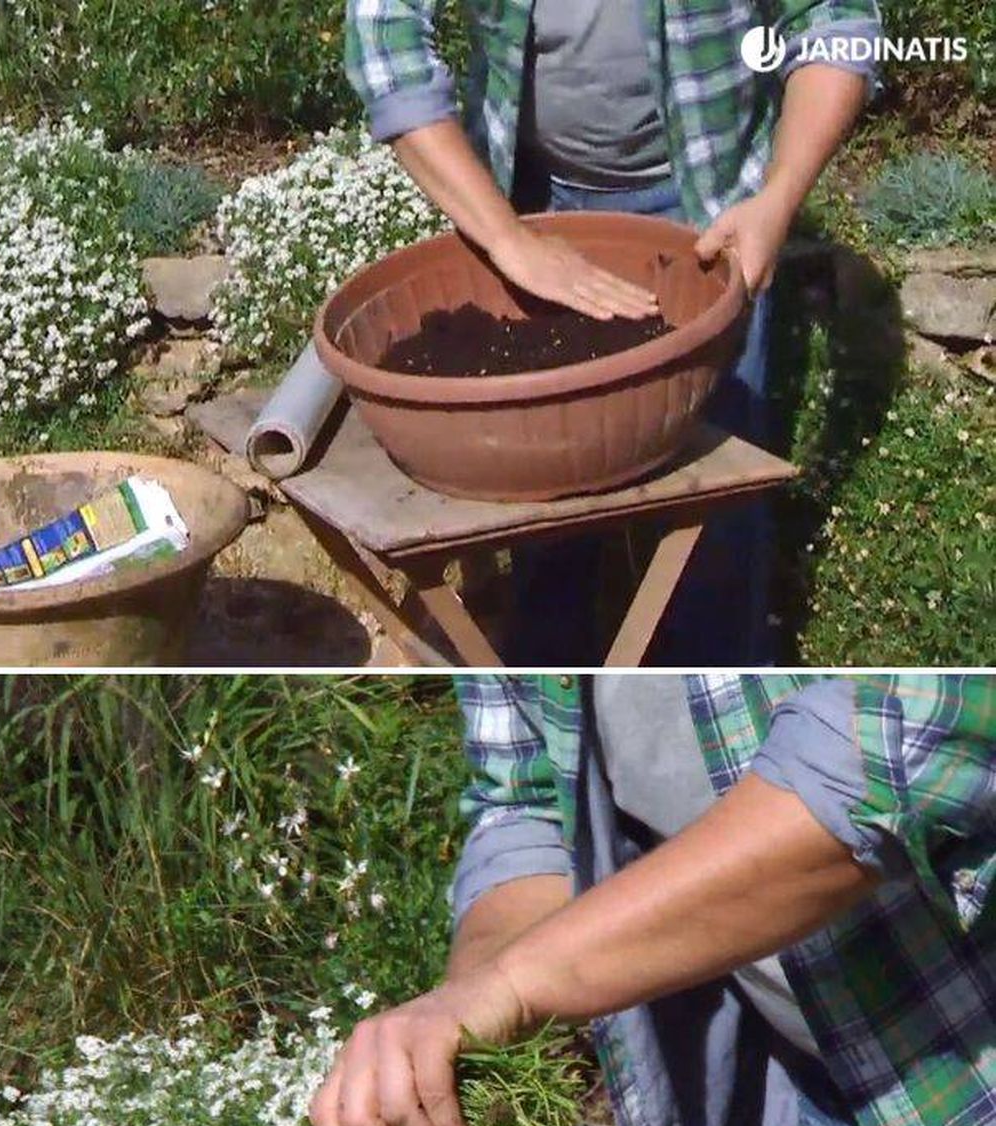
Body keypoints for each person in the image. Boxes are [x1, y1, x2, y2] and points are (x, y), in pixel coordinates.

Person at [310, 674, 996, 1126]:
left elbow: (885, 754)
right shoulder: (519, 608)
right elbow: (525, 804)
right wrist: (465, 1006)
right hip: (861, 1102)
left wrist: (517, 985)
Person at [343, 0, 881, 664]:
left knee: (714, 512)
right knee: (540, 510)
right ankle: (551, 699)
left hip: (711, 207)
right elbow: (385, 40)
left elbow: (835, 23)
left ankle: (714, 687)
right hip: (531, 201)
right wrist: (508, 238)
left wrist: (777, 199)